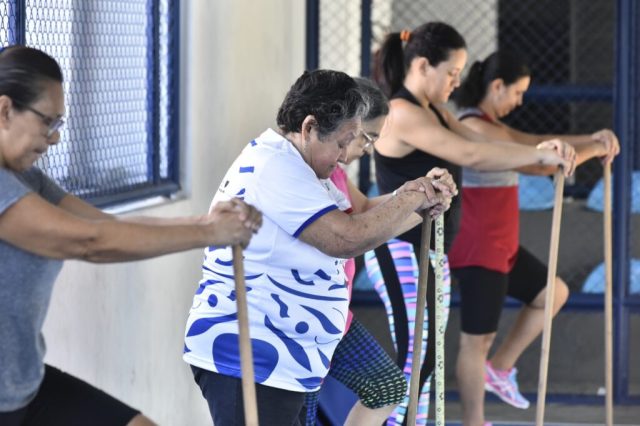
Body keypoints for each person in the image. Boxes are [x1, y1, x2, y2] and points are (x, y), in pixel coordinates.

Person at [0, 46, 262, 426]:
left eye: (59, 125)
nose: (54, 139)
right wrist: (208, 232)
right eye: (47, 123)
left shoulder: (23, 177)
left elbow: (104, 225)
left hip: (23, 384)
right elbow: (89, 242)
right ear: (5, 109)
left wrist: (207, 223)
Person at [182, 69, 457, 426]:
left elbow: (362, 224)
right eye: (343, 142)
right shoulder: (276, 167)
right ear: (310, 127)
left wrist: (423, 203)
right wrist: (414, 196)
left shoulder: (305, 170)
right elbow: (347, 237)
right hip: (252, 360)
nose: (345, 156)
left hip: (283, 360)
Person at [368, 22, 575, 425]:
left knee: (426, 360)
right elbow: (470, 155)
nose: (457, 82)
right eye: (451, 73)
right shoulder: (403, 112)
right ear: (424, 66)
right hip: (400, 247)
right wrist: (541, 157)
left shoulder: (435, 112)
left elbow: (482, 142)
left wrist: (540, 151)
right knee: (417, 357)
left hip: (430, 248)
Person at [449, 50, 620, 426]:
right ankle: (473, 421)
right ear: (497, 86)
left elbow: (538, 140)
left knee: (553, 292)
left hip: (502, 245)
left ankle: (500, 369)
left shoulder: (490, 122)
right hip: (479, 245)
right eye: (516, 93)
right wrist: (595, 148)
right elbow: (535, 159)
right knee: (476, 340)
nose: (519, 101)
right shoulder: (475, 126)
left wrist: (591, 137)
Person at [303, 77, 437, 426]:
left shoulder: (335, 173)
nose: (366, 149)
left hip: (336, 317)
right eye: (367, 138)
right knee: (302, 409)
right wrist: (411, 201)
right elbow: (354, 234)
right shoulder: (305, 172)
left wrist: (420, 198)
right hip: (305, 320)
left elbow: (361, 211)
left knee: (388, 387)